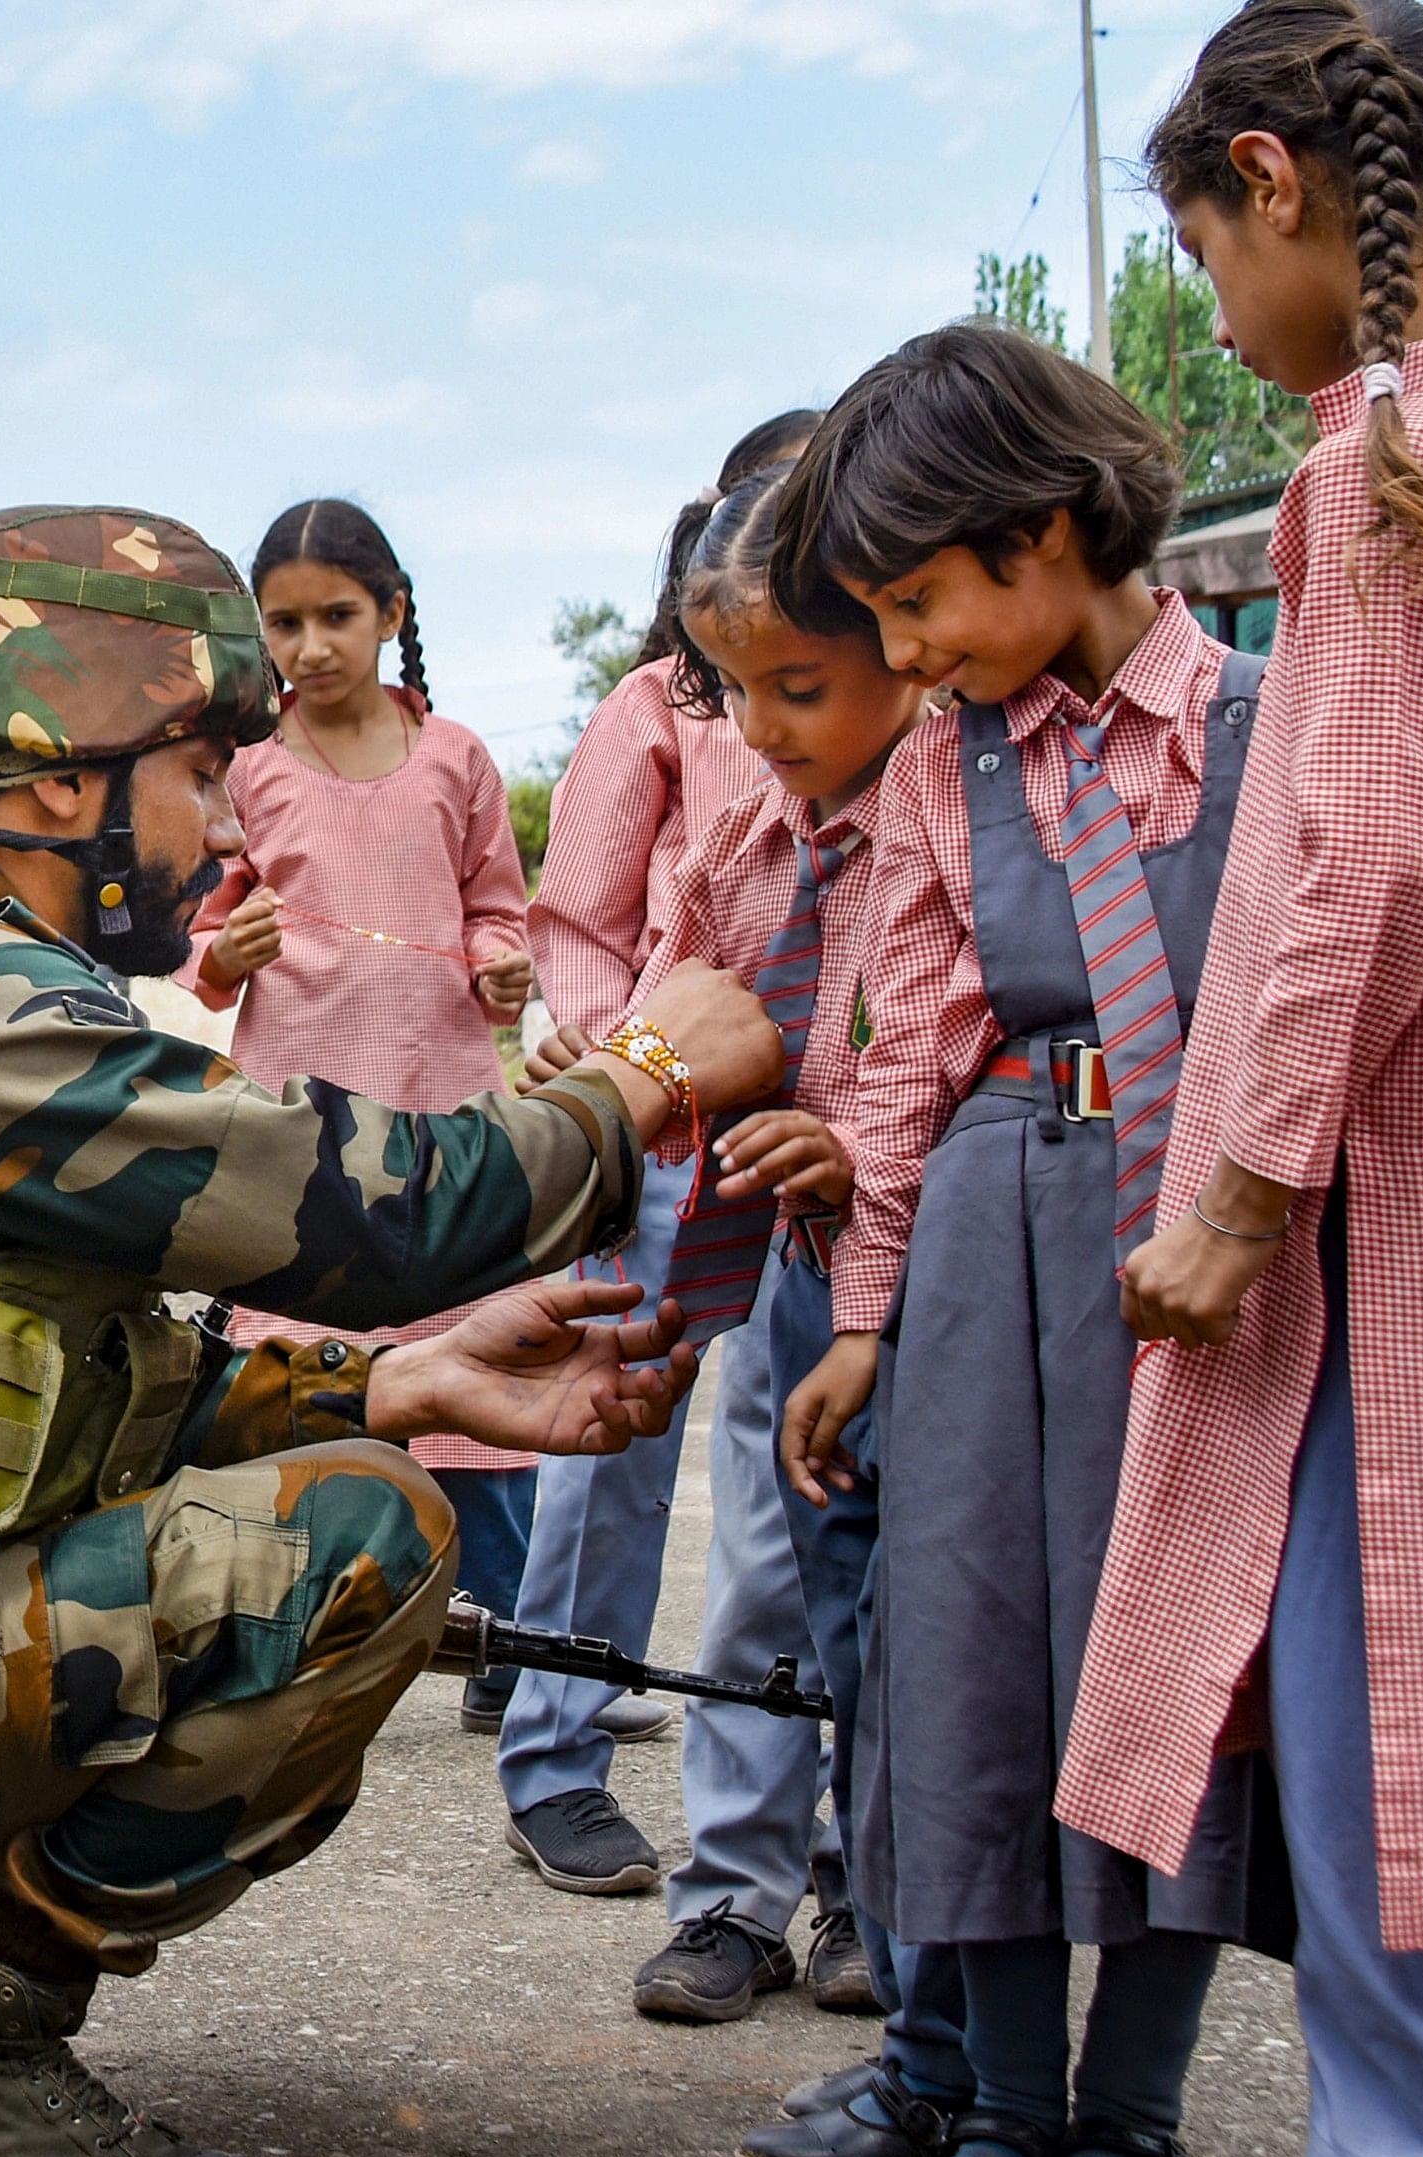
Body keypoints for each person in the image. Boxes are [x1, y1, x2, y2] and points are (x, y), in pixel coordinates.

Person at [0, 504, 784, 2157]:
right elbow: (397, 1211)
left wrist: (388, 1381)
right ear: (60, 781)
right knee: (358, 1546)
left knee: (297, 1471)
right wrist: (648, 1056)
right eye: (200, 772)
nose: (224, 834)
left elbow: (8, 1381)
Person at [1072, 7, 1423, 2157]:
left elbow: (1362, 863)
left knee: (1417, 1862)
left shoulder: (1384, 463)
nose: (1210, 308)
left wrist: (1239, 1199)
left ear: (1269, 183)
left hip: (1415, 1245)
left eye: (1195, 255)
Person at [758, 322, 1278, 2157]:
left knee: (1162, 1666)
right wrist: (864, 1317)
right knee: (962, 1666)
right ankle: (996, 2101)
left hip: (1190, 1242)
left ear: (1047, 526)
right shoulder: (937, 773)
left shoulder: (1252, 725)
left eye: (912, 604)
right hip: (990, 1223)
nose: (895, 658)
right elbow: (900, 1064)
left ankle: (1128, 2114)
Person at [595, 467, 916, 2031]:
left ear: (905, 649)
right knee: (758, 1585)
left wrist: (853, 1142)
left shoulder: (961, 829)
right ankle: (729, 1893)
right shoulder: (746, 839)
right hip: (787, 1275)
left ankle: (878, 1897)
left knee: (905, 1608)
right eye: (731, 693)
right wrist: (621, 1079)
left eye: (796, 686)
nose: (762, 724)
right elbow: (677, 991)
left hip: (930, 1286)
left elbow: (957, 1045)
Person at [491, 414, 812, 1904]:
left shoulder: (897, 692)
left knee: (792, 1464)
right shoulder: (660, 702)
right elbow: (578, 918)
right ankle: (553, 1751)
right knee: (612, 1432)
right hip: (678, 1126)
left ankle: (798, 1808)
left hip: (823, 1150)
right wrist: (634, 1066)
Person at [178, 499, 556, 1726]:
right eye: (281, 622)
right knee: (300, 1371)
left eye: (336, 615)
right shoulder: (244, 771)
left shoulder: (454, 759)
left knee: (483, 1359)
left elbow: (498, 907)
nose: (309, 644)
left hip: (444, 1107)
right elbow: (189, 925)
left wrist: (504, 962)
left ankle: (508, 1655)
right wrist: (224, 953)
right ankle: (284, 1633)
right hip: (297, 1129)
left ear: (392, 614)